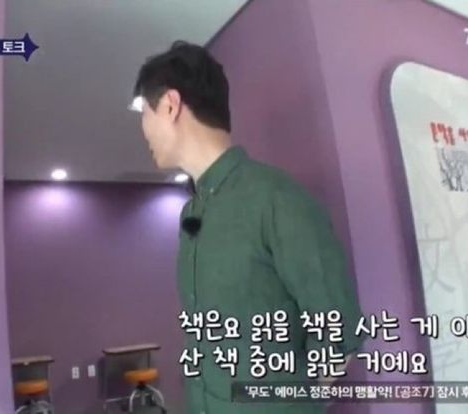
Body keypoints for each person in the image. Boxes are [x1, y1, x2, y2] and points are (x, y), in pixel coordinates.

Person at [130, 41, 365, 414]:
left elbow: (339, 332)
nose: (142, 128)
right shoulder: (192, 210)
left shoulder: (278, 199)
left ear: (171, 105)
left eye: (144, 111)